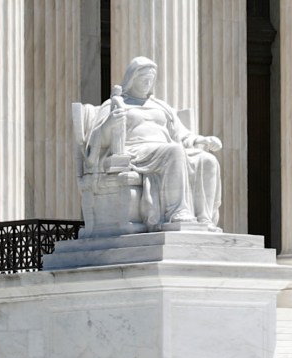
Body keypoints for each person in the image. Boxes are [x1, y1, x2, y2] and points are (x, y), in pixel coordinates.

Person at [82, 56, 223, 229]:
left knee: (208, 160)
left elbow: (181, 135)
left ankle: (204, 219)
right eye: (143, 79)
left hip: (166, 149)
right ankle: (177, 212)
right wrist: (110, 123)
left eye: (151, 79)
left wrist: (202, 140)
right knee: (174, 151)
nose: (148, 83)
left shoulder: (161, 106)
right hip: (135, 151)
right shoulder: (115, 104)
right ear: (132, 79)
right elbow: (97, 141)